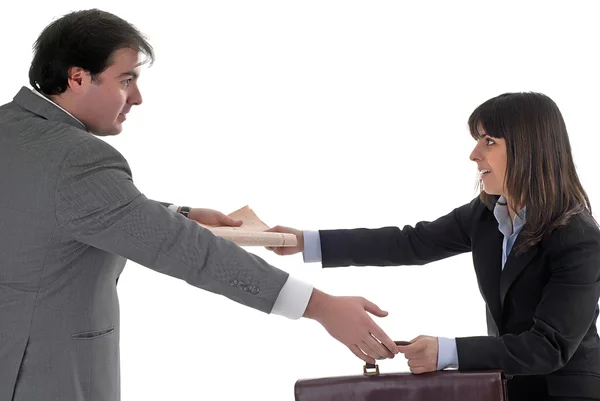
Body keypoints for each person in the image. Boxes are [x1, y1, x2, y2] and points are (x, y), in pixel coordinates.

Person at [0, 9, 399, 401]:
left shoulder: (11, 127)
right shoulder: (78, 158)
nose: (137, 98)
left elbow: (45, 203)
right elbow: (186, 251)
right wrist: (321, 306)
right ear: (77, 77)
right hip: (42, 374)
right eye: (126, 80)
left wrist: (181, 214)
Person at [267, 92, 600, 401]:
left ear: (529, 148)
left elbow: (549, 347)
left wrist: (447, 353)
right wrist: (304, 242)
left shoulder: (578, 237)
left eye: (489, 141)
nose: (474, 155)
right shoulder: (485, 215)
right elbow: (409, 242)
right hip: (508, 388)